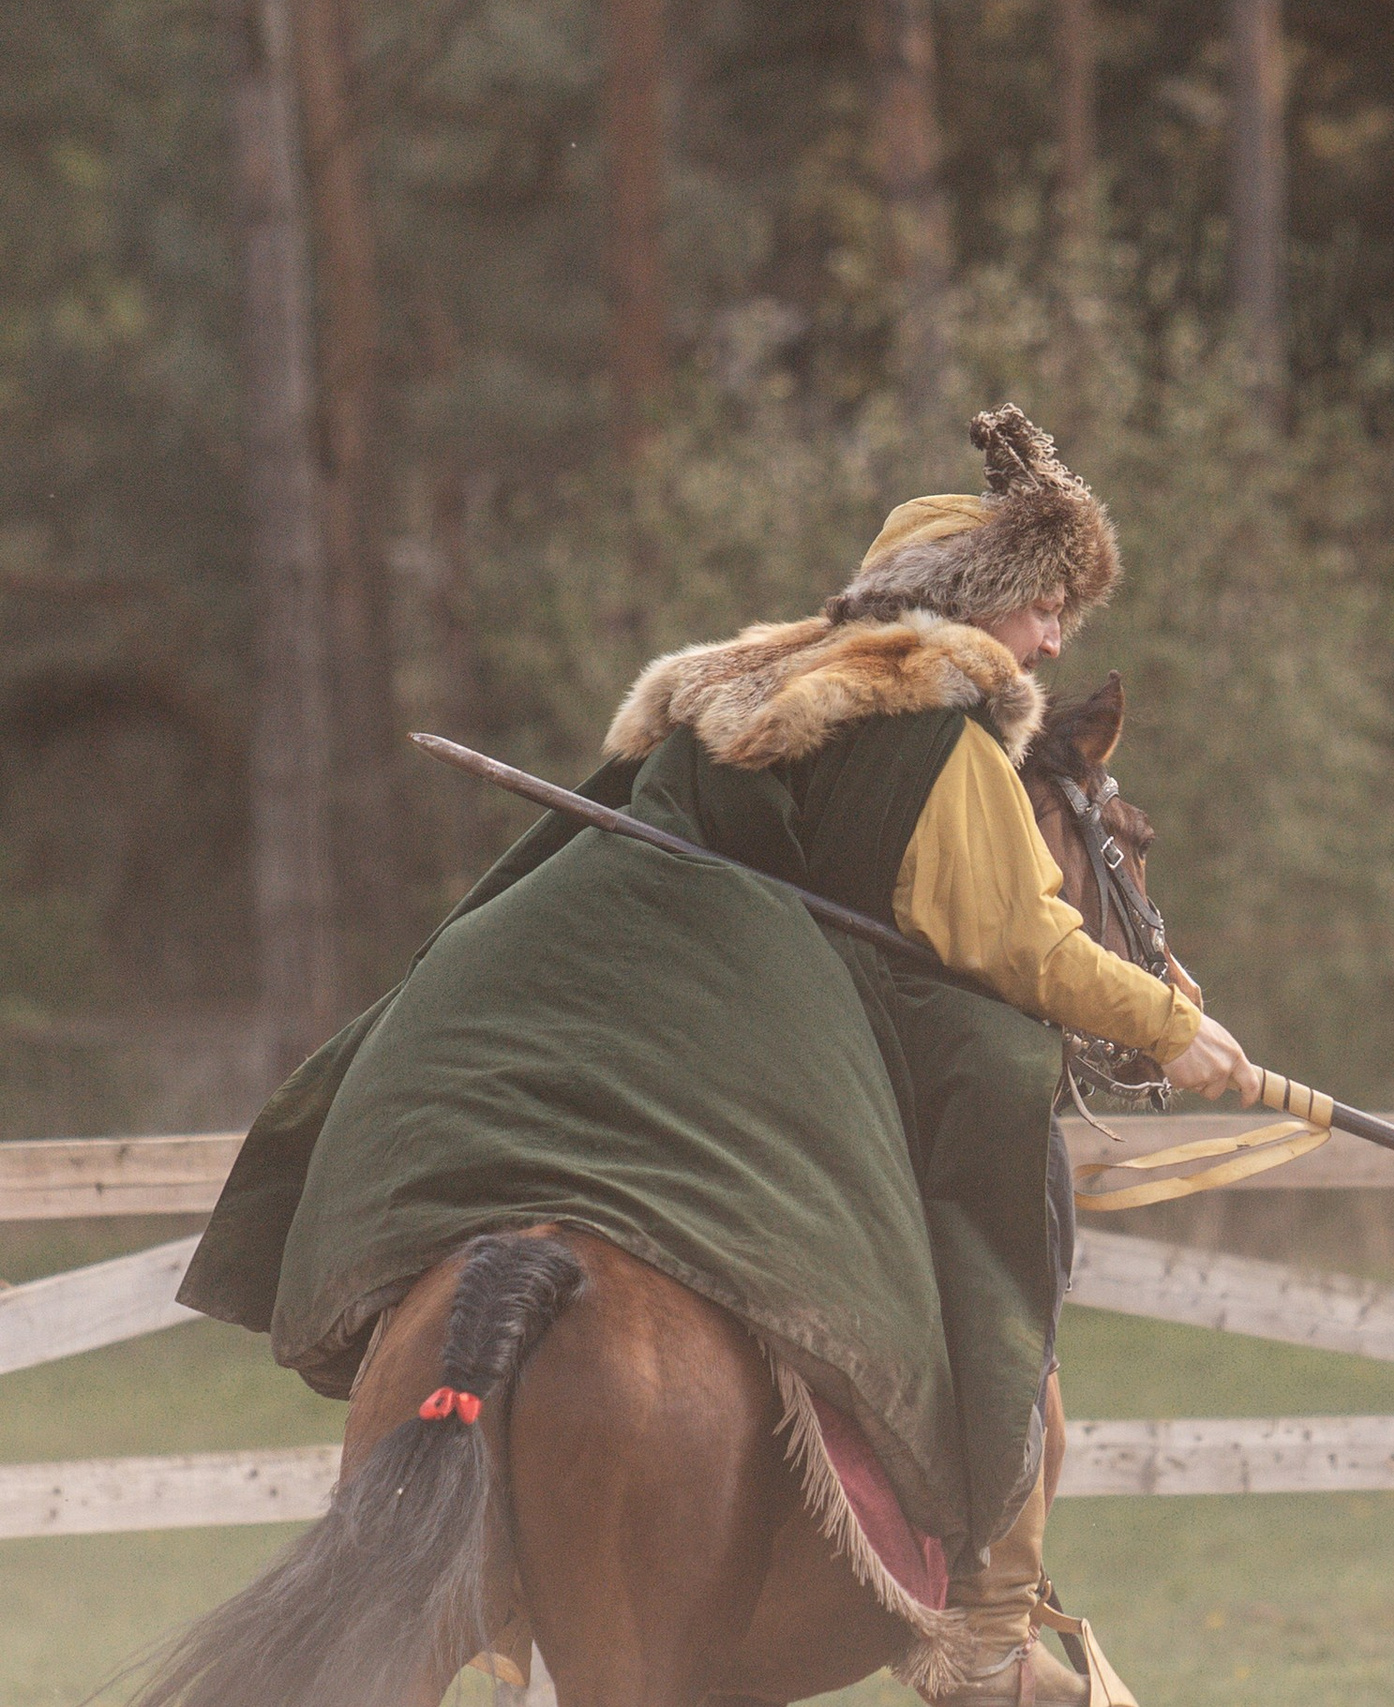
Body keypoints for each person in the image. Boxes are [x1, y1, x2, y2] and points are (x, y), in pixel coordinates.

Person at [179, 406, 1252, 1707]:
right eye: (1040, 609)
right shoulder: (949, 733)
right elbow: (1014, 937)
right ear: (969, 607)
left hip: (644, 1000)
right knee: (1006, 1206)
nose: (1052, 640)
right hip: (778, 1016)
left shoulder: (735, 695)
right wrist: (1173, 1028)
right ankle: (986, 1613)